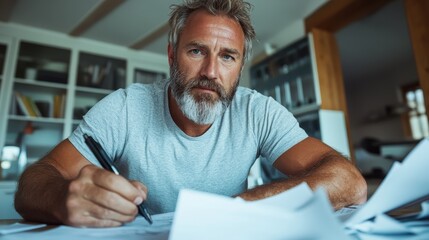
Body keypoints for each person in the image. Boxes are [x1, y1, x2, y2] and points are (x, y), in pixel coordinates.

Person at [14, 0, 367, 227]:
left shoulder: (258, 112)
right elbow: (33, 183)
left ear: (240, 66)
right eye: (197, 51)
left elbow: (348, 182)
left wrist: (249, 203)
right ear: (171, 56)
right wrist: (63, 198)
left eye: (228, 56)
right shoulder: (123, 108)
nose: (211, 72)